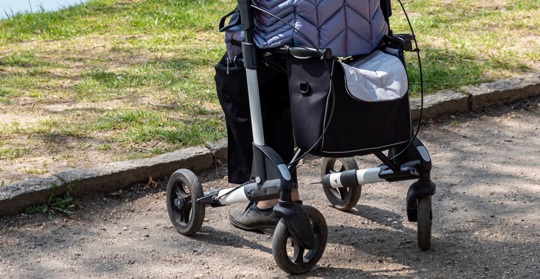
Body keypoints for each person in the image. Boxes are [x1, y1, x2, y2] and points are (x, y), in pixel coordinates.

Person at [214, 52, 298, 234]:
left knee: (231, 79)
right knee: (277, 89)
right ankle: (289, 193)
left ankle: (266, 201)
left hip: (268, 45)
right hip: (311, 52)